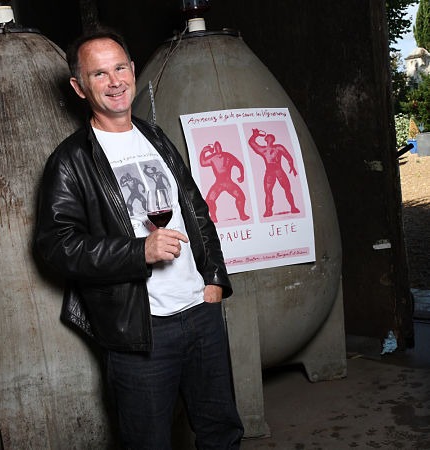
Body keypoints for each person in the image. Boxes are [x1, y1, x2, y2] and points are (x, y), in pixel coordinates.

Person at [34, 29, 244, 449]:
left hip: (200, 312)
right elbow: (54, 246)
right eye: (99, 74)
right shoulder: (71, 161)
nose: (114, 82)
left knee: (221, 431)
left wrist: (215, 280)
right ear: (79, 87)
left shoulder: (155, 137)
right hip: (140, 330)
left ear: (131, 71)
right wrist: (138, 251)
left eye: (119, 68)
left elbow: (195, 209)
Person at [248, 128, 300, 217]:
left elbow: (288, 156)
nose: (268, 136)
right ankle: (269, 210)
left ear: (271, 139)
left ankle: (291, 207)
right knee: (270, 192)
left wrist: (292, 166)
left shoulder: (274, 148)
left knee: (285, 189)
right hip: (272, 171)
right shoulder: (266, 149)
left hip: (276, 171)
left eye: (269, 136)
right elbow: (252, 143)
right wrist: (254, 135)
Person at [200, 141, 250, 223]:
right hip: (219, 183)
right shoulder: (213, 157)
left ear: (221, 147)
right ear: (215, 149)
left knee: (241, 197)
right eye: (216, 147)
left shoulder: (228, 156)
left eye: (219, 147)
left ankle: (242, 214)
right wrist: (203, 152)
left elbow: (239, 164)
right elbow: (203, 162)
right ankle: (213, 216)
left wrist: (242, 176)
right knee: (209, 200)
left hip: (228, 182)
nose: (218, 149)